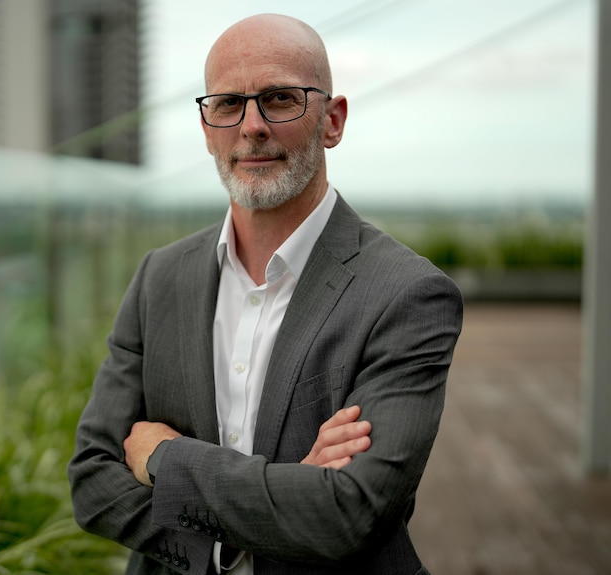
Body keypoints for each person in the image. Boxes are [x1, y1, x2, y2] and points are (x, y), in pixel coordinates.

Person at [68, 12, 463, 575]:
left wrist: (165, 457)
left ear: (333, 121)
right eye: (228, 104)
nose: (251, 126)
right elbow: (92, 481)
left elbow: (348, 514)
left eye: (280, 98)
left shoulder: (408, 295)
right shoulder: (160, 278)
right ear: (207, 129)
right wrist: (250, 525)